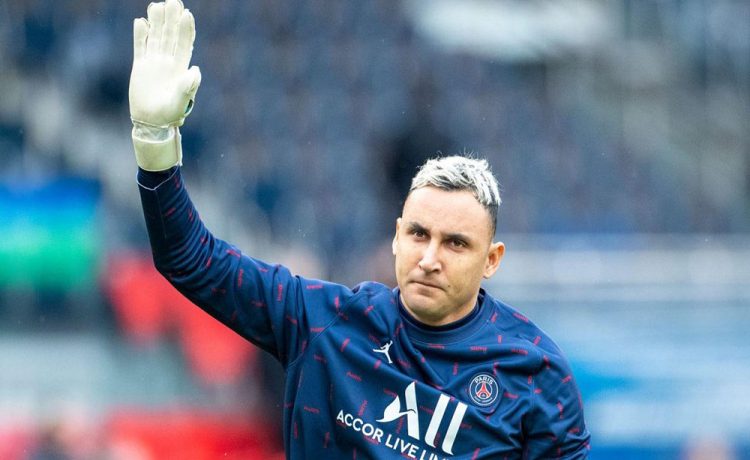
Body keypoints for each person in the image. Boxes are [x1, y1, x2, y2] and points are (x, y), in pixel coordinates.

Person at [128, 1, 591, 458]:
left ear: (491, 259)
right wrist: (155, 145)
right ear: (396, 236)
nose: (430, 258)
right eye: (418, 234)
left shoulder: (536, 373)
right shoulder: (325, 323)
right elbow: (190, 259)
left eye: (455, 243)